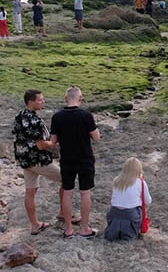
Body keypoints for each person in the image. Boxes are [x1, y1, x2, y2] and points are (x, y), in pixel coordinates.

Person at [14, 89, 71, 235]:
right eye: (40, 100)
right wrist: (54, 142)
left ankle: (35, 225)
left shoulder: (19, 116)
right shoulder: (35, 121)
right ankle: (63, 213)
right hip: (38, 160)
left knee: (30, 191)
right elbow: (40, 145)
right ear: (31, 102)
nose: (43, 102)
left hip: (24, 159)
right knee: (67, 179)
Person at [50, 86, 102, 238]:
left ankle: (68, 229)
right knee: (85, 193)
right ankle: (84, 228)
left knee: (67, 193)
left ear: (65, 99)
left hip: (67, 159)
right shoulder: (86, 115)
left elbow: (53, 140)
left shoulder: (57, 117)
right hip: (85, 159)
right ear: (80, 98)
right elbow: (96, 137)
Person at [105, 157, 152, 241]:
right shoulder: (140, 182)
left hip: (114, 213)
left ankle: (114, 230)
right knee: (139, 208)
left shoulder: (116, 180)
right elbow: (148, 201)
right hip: (131, 215)